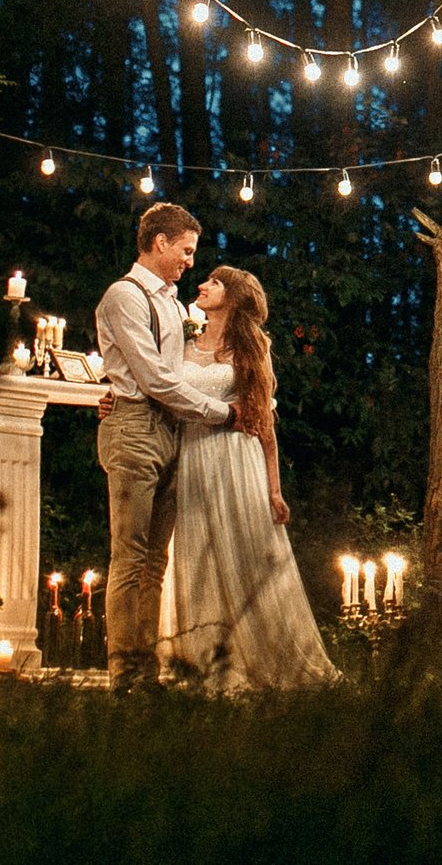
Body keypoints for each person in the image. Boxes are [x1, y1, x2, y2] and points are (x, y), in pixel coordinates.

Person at [153, 265, 339, 692]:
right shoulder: (179, 343)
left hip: (236, 458)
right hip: (191, 455)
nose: (202, 284)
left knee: (244, 551)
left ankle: (259, 655)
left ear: (233, 298)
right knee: (197, 552)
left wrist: (274, 489)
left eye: (214, 283)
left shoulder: (250, 350)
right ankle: (201, 660)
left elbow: (264, 421)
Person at [93, 202, 245, 690]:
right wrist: (221, 412)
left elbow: (178, 368)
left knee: (156, 559)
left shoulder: (176, 304)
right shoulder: (125, 296)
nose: (190, 261)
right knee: (130, 555)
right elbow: (155, 378)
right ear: (159, 242)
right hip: (136, 428)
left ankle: (147, 670)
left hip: (173, 429)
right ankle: (124, 671)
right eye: (186, 250)